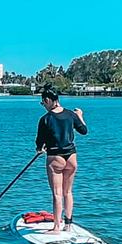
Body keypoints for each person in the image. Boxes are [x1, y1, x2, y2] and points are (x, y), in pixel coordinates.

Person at [35, 87, 87, 233]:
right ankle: (68, 224)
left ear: (47, 101)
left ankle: (57, 227)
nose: (44, 106)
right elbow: (83, 130)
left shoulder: (46, 119)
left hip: (55, 158)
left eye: (43, 103)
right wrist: (80, 116)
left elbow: (39, 142)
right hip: (71, 157)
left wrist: (40, 149)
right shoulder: (71, 115)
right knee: (68, 192)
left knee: (57, 194)